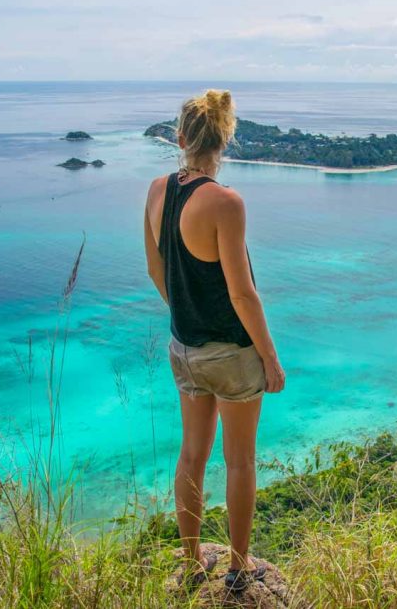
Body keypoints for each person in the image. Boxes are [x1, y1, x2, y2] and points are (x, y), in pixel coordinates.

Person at [143, 89, 285, 593]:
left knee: (191, 455)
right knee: (240, 460)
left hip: (183, 348)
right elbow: (243, 293)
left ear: (180, 139)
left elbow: (156, 269)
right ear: (226, 140)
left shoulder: (159, 189)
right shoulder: (225, 202)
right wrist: (269, 358)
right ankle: (241, 567)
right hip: (230, 351)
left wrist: (187, 317)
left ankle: (189, 560)